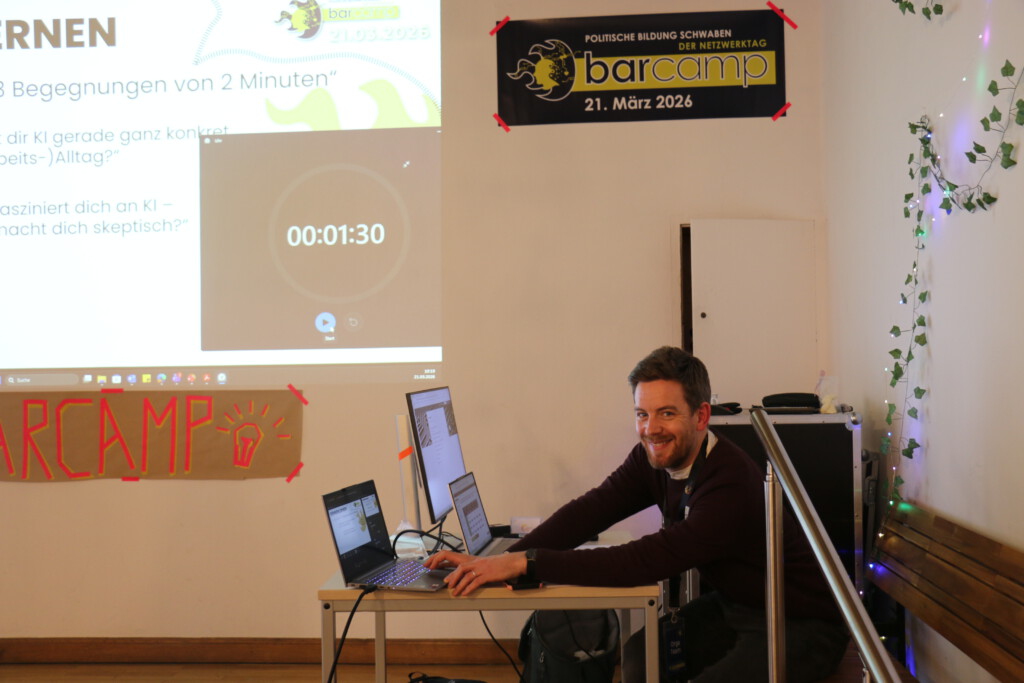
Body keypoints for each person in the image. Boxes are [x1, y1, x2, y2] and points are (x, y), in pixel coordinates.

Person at [424, 346, 849, 682]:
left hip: (802, 624)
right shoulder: (653, 458)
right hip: (738, 605)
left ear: (701, 415)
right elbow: (592, 510)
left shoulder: (729, 483)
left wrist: (528, 562)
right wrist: (503, 560)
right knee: (643, 657)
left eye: (667, 413)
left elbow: (647, 558)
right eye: (642, 414)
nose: (651, 429)